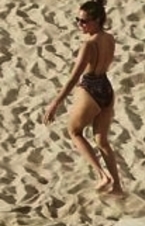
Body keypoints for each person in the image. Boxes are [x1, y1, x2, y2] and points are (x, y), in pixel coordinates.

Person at [43, 1, 122, 195]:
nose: (80, 24)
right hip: (106, 88)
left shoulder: (88, 45)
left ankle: (102, 175)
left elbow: (74, 77)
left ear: (96, 20)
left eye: (84, 21)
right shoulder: (109, 38)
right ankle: (118, 187)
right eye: (77, 20)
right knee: (102, 141)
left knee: (74, 131)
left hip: (91, 87)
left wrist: (55, 103)